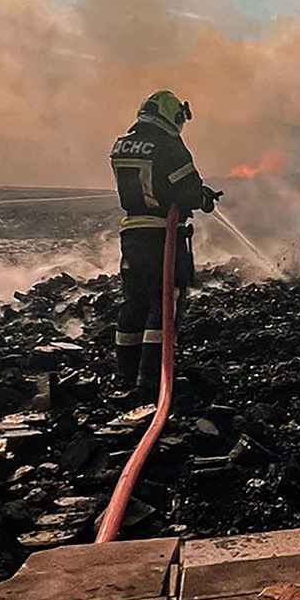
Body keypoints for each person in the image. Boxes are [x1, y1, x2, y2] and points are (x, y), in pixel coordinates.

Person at [109, 90, 221, 399]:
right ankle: (152, 379)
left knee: (134, 303)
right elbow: (189, 192)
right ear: (171, 115)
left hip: (132, 234)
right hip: (163, 236)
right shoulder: (169, 146)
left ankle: (125, 375)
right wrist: (203, 198)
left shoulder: (123, 145)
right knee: (165, 303)